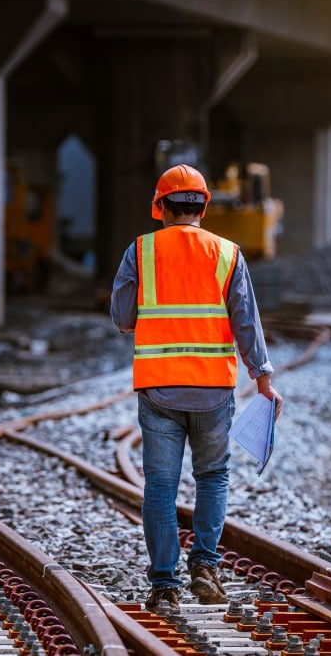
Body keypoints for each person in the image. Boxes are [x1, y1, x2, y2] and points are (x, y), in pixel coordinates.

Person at [110, 164, 282, 612]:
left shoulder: (140, 251)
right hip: (212, 391)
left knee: (161, 488)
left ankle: (164, 585)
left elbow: (122, 317)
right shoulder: (227, 253)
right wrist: (263, 379)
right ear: (204, 207)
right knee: (212, 477)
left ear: (161, 207)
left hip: (159, 390)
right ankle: (205, 566)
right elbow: (247, 322)